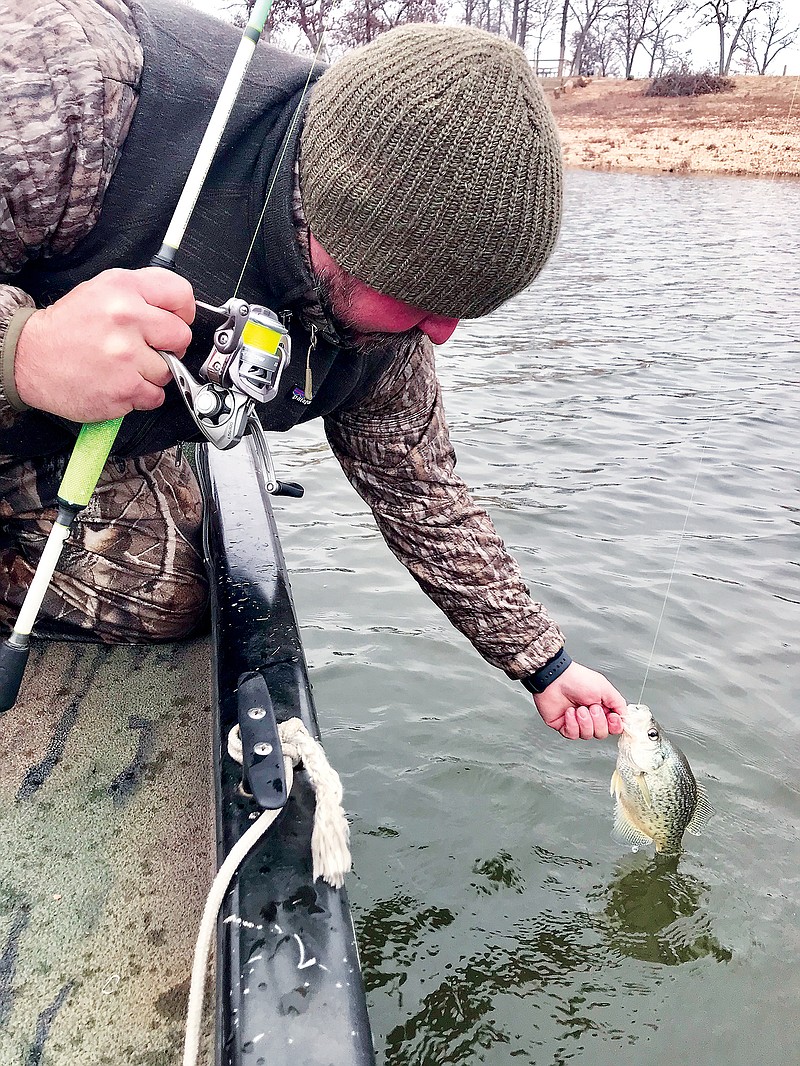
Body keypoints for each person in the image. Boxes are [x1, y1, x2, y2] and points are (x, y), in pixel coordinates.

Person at [0, 0, 626, 740]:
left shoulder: (386, 340)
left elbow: (421, 492)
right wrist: (23, 353)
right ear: (340, 222)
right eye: (424, 298)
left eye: (466, 309)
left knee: (173, 594)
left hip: (65, 442)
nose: (443, 335)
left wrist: (543, 664)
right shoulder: (74, 81)